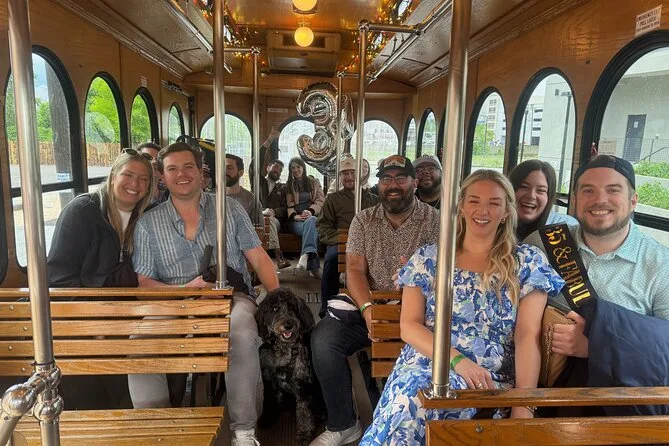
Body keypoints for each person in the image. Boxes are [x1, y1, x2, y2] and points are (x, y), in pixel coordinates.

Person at [360, 169, 565, 445]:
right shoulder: (430, 258)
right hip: (428, 362)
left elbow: (527, 334)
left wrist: (523, 403)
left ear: (506, 211)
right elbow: (409, 326)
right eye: (474, 201)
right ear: (462, 207)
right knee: (414, 397)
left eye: (494, 203)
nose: (483, 210)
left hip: (488, 378)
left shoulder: (527, 263)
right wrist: (457, 361)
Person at [129, 142, 280, 446]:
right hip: (173, 301)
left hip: (229, 297)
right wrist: (183, 290)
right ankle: (157, 428)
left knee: (242, 332)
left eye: (188, 167)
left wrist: (278, 302)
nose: (181, 174)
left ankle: (243, 430)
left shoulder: (230, 209)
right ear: (163, 177)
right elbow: (144, 283)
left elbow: (259, 258)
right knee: (140, 341)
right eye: (172, 169)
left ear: (201, 173)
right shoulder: (147, 224)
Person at [310, 155, 440, 446]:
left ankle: (421, 425)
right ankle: (344, 423)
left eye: (400, 178)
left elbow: (445, 273)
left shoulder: (435, 222)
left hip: (419, 312)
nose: (393, 185)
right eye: (386, 179)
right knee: (323, 340)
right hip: (369, 305)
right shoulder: (364, 220)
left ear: (414, 183)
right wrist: (368, 310)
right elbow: (355, 270)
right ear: (378, 184)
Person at [524, 155, 669, 358]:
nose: (600, 200)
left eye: (613, 190)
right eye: (588, 190)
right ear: (575, 200)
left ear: (633, 200)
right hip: (535, 375)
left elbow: (664, 345)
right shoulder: (541, 244)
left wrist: (600, 346)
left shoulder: (662, 265)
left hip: (611, 379)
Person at [47, 148, 154, 410]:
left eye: (143, 179)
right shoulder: (83, 211)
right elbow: (59, 277)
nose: (135, 184)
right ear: (113, 175)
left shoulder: (149, 217)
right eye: (128, 175)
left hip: (128, 314)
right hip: (82, 314)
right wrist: (93, 321)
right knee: (96, 381)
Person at [317, 155, 379, 316]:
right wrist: (341, 240)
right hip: (341, 243)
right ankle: (327, 306)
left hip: (369, 245)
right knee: (331, 259)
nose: (349, 177)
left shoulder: (374, 200)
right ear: (340, 177)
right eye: (345, 173)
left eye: (352, 173)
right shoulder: (333, 199)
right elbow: (323, 226)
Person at [508, 159, 577, 240]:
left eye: (541, 190)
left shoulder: (564, 227)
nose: (531, 196)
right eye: (524, 187)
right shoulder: (496, 225)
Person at [286, 156, 325, 277]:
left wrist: (310, 211)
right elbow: (289, 205)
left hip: (311, 217)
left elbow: (320, 201)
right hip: (296, 221)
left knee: (311, 221)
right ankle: (313, 267)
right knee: (312, 230)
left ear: (303, 168)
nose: (296, 170)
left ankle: (305, 256)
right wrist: (294, 216)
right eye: (293, 168)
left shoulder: (314, 182)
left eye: (298, 167)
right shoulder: (289, 185)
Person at [257, 158, 291, 269]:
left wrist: (274, 212)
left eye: (280, 170)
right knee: (264, 219)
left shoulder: (282, 188)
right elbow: (253, 167)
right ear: (267, 168)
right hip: (258, 217)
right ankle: (277, 258)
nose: (278, 171)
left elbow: (285, 209)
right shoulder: (258, 182)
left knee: (269, 219)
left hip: (275, 220)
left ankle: (278, 256)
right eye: (276, 167)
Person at [226, 154, 263, 225]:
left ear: (241, 173)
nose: (225, 171)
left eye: (229, 168)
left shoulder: (251, 200)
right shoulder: (210, 196)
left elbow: (259, 229)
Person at [137, 142, 169, 208]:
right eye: (148, 158)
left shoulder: (171, 190)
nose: (154, 162)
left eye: (158, 159)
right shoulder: (133, 194)